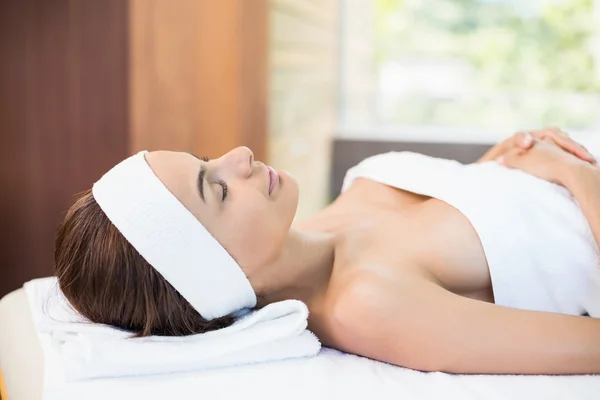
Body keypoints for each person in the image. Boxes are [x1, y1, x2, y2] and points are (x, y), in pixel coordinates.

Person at [54, 127, 600, 375]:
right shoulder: (368, 305)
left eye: (206, 158)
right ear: (217, 270)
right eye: (216, 187)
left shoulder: (323, 219)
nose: (239, 155)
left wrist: (507, 162)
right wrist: (572, 176)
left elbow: (498, 233)